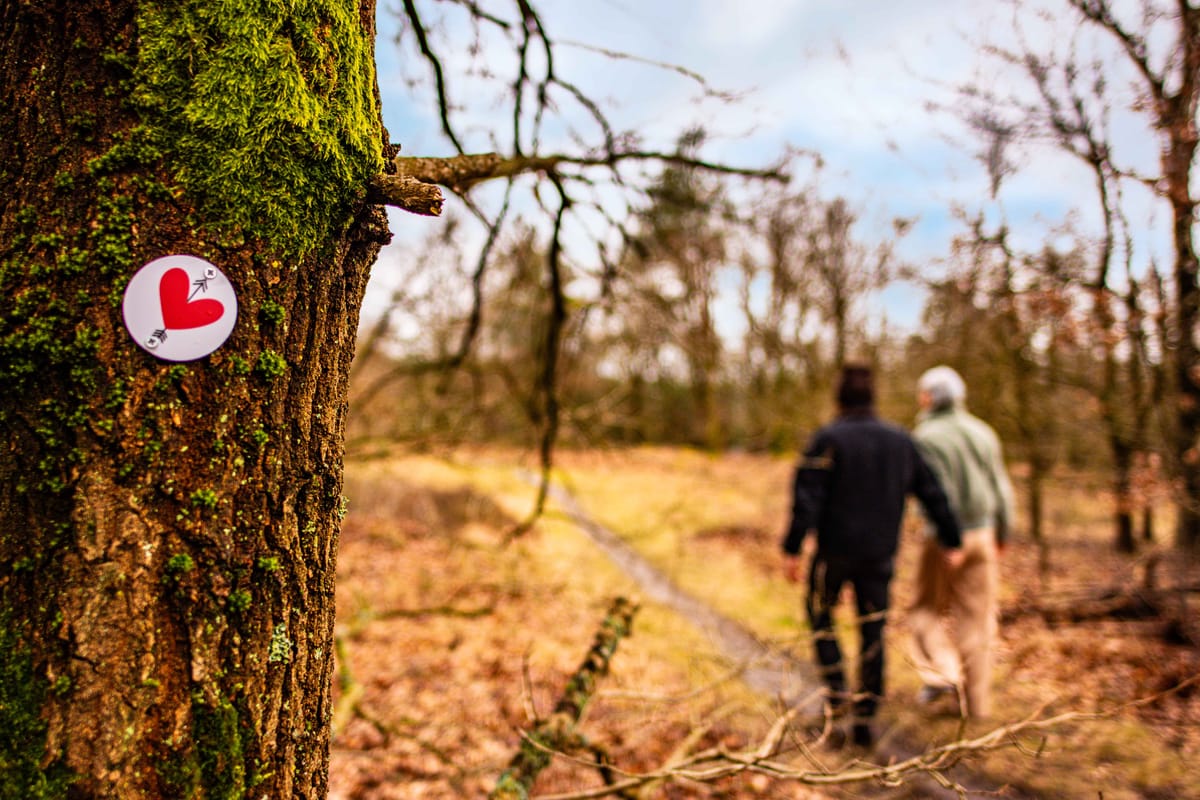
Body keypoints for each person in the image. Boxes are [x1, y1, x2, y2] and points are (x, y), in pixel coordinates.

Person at [782, 364, 963, 747]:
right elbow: (932, 492)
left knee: (821, 617)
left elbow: (806, 501)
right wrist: (952, 539)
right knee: (872, 631)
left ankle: (838, 696)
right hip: (879, 556)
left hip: (833, 555)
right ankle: (865, 714)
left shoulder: (827, 440)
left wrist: (793, 549)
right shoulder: (899, 441)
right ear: (872, 397)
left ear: (839, 397)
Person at [908, 365, 1015, 719]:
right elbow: (1001, 487)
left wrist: (946, 539)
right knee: (978, 621)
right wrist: (1003, 531)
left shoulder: (926, 436)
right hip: (985, 534)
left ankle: (944, 673)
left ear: (930, 398)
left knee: (924, 610)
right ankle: (977, 707)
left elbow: (940, 494)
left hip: (946, 536)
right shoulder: (983, 432)